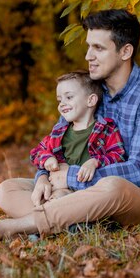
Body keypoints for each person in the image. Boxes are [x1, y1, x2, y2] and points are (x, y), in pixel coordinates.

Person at [0, 9, 140, 240]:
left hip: (139, 198)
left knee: (113, 186)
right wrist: (42, 177)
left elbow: (139, 171)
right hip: (76, 192)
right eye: (88, 46)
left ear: (125, 51)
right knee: (8, 189)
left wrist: (70, 177)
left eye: (98, 48)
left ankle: (13, 227)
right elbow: (56, 145)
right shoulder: (88, 90)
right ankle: (76, 224)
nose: (88, 56)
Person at [29, 70, 126, 200]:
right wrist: (47, 158)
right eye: (59, 100)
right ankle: (51, 212)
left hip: (90, 190)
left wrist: (95, 162)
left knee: (60, 197)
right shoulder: (59, 132)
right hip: (60, 186)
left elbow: (118, 155)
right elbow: (36, 152)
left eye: (69, 97)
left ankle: (50, 213)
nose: (62, 104)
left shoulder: (106, 129)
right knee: (10, 190)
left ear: (91, 100)